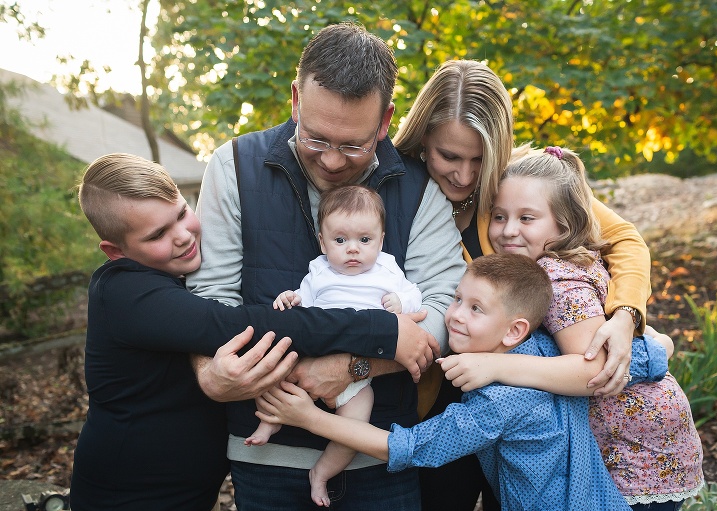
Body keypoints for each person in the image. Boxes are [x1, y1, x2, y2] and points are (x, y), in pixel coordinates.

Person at [185, 23, 464, 511]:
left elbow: (445, 308)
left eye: (353, 145)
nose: (332, 160)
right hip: (264, 454)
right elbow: (210, 298)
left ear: (385, 121)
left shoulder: (420, 189)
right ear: (296, 99)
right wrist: (210, 370)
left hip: (380, 453)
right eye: (315, 138)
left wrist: (353, 367)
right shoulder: (233, 165)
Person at [69, 153, 421, 511]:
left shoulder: (170, 276)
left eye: (180, 213)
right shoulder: (126, 294)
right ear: (115, 251)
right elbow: (237, 326)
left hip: (188, 490)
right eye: (158, 234)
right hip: (129, 494)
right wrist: (379, 327)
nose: (182, 235)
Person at [392, 59, 655, 511]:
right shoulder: (397, 191)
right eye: (449, 156)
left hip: (527, 394)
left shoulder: (520, 182)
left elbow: (624, 239)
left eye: (480, 158)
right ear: (421, 140)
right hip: (438, 389)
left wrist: (625, 315)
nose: (466, 175)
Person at [254, 254, 670, 511]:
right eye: (456, 299)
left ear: (513, 330)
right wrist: (657, 339)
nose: (454, 315)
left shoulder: (499, 403)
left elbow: (411, 448)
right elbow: (651, 355)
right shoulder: (549, 350)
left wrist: (308, 417)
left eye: (475, 309)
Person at [481, 145, 704, 509]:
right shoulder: (575, 260)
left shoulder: (554, 278)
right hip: (646, 444)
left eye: (526, 219)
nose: (508, 231)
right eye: (500, 216)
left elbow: (592, 370)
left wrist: (492, 366)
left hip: (633, 455)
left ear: (563, 225)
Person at [246, 185, 422, 507]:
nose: (353, 249)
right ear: (323, 242)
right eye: (340, 240)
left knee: (354, 425)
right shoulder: (318, 271)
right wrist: (291, 298)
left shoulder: (388, 269)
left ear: (381, 241)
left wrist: (401, 301)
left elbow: (415, 296)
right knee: (280, 373)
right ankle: (269, 423)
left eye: (364, 240)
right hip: (314, 355)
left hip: (359, 374)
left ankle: (322, 473)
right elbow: (304, 302)